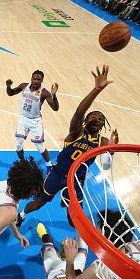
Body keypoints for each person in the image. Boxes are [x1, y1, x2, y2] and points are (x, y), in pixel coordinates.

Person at [16, 65, 119, 228]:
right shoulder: (76, 132)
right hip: (57, 174)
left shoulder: (103, 142)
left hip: (77, 180)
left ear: (102, 125)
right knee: (40, 202)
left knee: (74, 220)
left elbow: (106, 166)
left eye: (100, 117)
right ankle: (21, 215)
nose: (97, 117)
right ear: (86, 120)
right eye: (94, 115)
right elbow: (79, 112)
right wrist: (96, 90)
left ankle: (67, 202)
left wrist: (111, 151)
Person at [6, 70, 59, 170]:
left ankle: (49, 165)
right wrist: (8, 86)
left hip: (35, 122)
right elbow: (11, 93)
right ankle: (22, 163)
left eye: (38, 79)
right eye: (34, 78)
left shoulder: (44, 93)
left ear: (42, 80)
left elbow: (55, 108)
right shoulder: (23, 86)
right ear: (31, 78)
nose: (36, 81)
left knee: (40, 146)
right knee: (18, 145)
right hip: (23, 119)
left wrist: (54, 95)